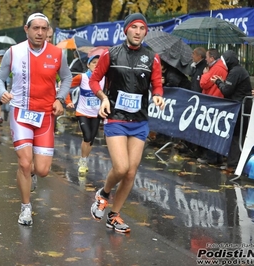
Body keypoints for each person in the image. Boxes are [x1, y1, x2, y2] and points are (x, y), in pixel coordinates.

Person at [0, 12, 72, 226]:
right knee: (25, 163)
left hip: (45, 116)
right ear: (26, 29)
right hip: (20, 113)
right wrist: (2, 92)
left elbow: (67, 78)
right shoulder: (13, 52)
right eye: (35, 28)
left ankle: (31, 175)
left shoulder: (57, 54)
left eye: (43, 29)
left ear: (48, 32)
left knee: (43, 170)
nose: (39, 32)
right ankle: (26, 207)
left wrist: (60, 99)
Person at [89, 13, 165, 233]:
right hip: (116, 118)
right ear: (126, 30)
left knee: (131, 172)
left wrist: (158, 94)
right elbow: (94, 80)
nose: (138, 31)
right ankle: (103, 194)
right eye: (134, 27)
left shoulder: (152, 57)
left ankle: (114, 215)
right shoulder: (111, 54)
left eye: (142, 28)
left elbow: (157, 83)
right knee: (121, 167)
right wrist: (103, 98)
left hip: (139, 121)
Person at [211, 50, 252, 172]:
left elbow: (227, 91)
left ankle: (233, 165)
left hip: (240, 107)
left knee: (236, 135)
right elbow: (231, 87)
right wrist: (222, 82)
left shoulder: (235, 72)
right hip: (241, 106)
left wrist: (218, 82)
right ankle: (234, 163)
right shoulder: (238, 70)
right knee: (237, 135)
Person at [65, 55, 105, 174]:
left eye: (99, 63)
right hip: (82, 111)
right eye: (93, 62)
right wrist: (68, 101)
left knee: (91, 139)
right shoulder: (82, 77)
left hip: (96, 113)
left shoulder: (104, 78)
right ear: (88, 65)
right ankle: (82, 161)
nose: (96, 65)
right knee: (87, 136)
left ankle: (85, 160)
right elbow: (66, 86)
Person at [197, 48, 228, 165]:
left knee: (211, 131)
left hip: (213, 100)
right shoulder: (220, 67)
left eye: (207, 56)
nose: (205, 59)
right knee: (216, 131)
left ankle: (211, 157)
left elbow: (203, 82)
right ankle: (217, 157)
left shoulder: (216, 68)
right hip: (217, 100)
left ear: (212, 58)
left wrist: (204, 74)